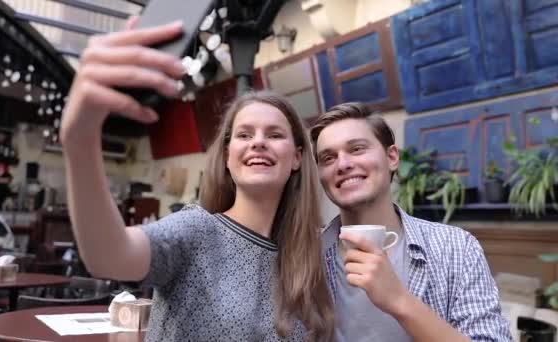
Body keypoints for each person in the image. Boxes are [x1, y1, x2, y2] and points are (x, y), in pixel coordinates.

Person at [60, 17, 333, 341]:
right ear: (228, 157)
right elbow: (109, 256)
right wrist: (80, 139)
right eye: (244, 134)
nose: (258, 142)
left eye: (274, 134)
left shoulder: (308, 257)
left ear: (297, 158)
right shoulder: (197, 231)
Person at [309, 102, 512, 341]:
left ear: (392, 157)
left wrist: (398, 300)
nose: (343, 164)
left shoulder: (456, 248)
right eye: (328, 158)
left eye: (357, 149)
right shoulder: (306, 258)